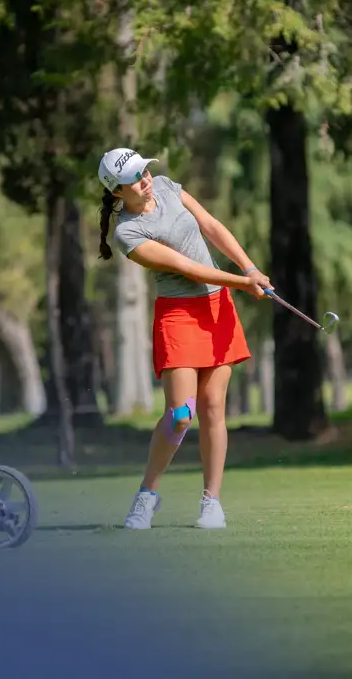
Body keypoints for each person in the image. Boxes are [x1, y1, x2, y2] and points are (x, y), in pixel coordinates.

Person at [96, 147, 273, 530]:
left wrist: (250, 268)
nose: (145, 181)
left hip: (217, 309)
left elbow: (210, 225)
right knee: (181, 415)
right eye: (134, 180)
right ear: (117, 192)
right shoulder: (127, 233)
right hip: (179, 315)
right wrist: (244, 283)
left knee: (213, 407)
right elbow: (188, 268)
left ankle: (211, 502)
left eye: (144, 172)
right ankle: (147, 495)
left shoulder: (165, 186)